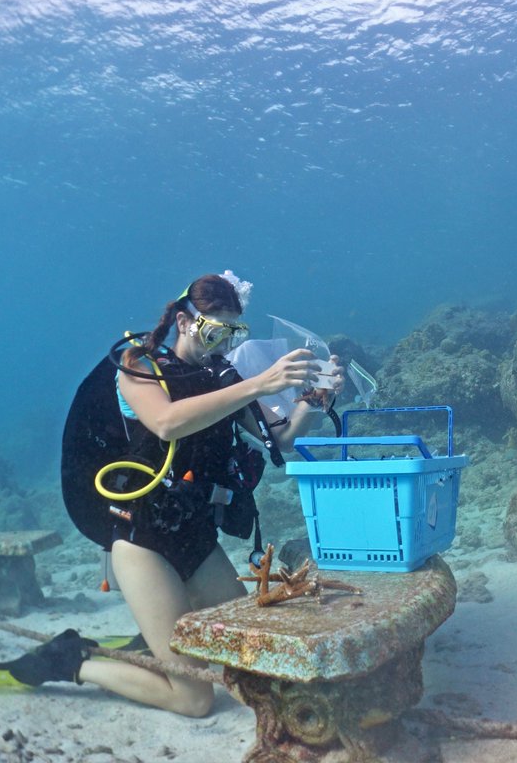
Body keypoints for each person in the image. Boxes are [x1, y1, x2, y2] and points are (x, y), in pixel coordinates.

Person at [39, 272, 340, 715]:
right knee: (195, 699)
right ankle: (73, 661)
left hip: (194, 534)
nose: (224, 343)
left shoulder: (223, 376)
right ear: (183, 321)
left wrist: (315, 398)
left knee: (254, 654)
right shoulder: (138, 364)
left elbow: (283, 439)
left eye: (234, 333)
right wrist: (259, 384)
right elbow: (166, 422)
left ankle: (158, 639)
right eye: (215, 330)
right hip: (141, 538)